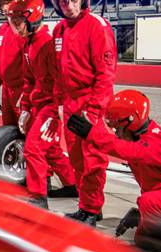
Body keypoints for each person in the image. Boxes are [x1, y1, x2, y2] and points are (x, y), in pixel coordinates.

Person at [66, 90, 161, 238]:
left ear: (131, 122)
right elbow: (157, 185)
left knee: (149, 207)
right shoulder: (142, 138)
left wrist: (91, 134)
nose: (116, 133)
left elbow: (127, 150)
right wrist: (142, 215)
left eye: (117, 127)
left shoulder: (156, 141)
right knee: (148, 204)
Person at [52, 0, 117, 226]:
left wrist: (94, 110)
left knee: (93, 160)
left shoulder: (97, 26)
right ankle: (86, 205)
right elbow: (58, 72)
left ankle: (92, 209)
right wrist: (60, 102)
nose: (68, 4)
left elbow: (106, 74)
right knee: (77, 159)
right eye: (62, 1)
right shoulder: (58, 30)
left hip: (91, 101)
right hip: (70, 104)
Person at [7, 0, 76, 209]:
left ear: (33, 18)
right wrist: (26, 108)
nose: (16, 26)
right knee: (51, 149)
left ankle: (38, 196)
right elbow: (29, 80)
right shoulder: (28, 43)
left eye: (19, 21)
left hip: (51, 106)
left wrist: (58, 109)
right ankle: (73, 184)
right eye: (14, 21)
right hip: (39, 105)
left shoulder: (47, 43)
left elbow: (59, 79)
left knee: (34, 147)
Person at [0, 0, 25, 126]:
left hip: (21, 90)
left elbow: (33, 64)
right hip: (7, 91)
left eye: (6, 2)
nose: (3, 7)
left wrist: (27, 93)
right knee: (8, 130)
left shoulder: (23, 29)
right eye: (1, 4)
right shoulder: (2, 30)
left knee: (26, 130)